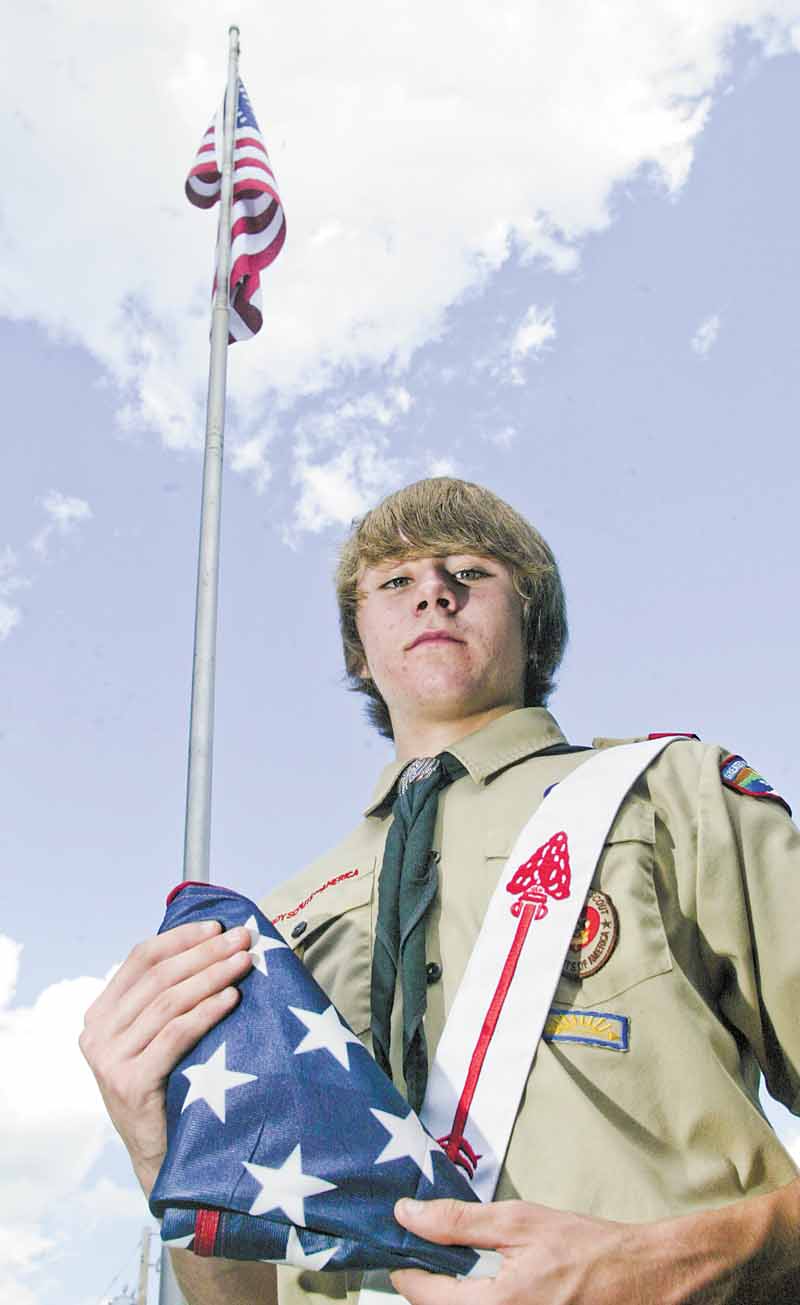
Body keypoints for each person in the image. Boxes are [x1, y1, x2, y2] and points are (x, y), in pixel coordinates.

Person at [81, 478, 800, 1304]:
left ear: (535, 627)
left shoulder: (672, 793)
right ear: (358, 644)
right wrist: (161, 1151)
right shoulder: (274, 927)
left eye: (471, 570)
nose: (433, 590)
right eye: (393, 581)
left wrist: (688, 1261)